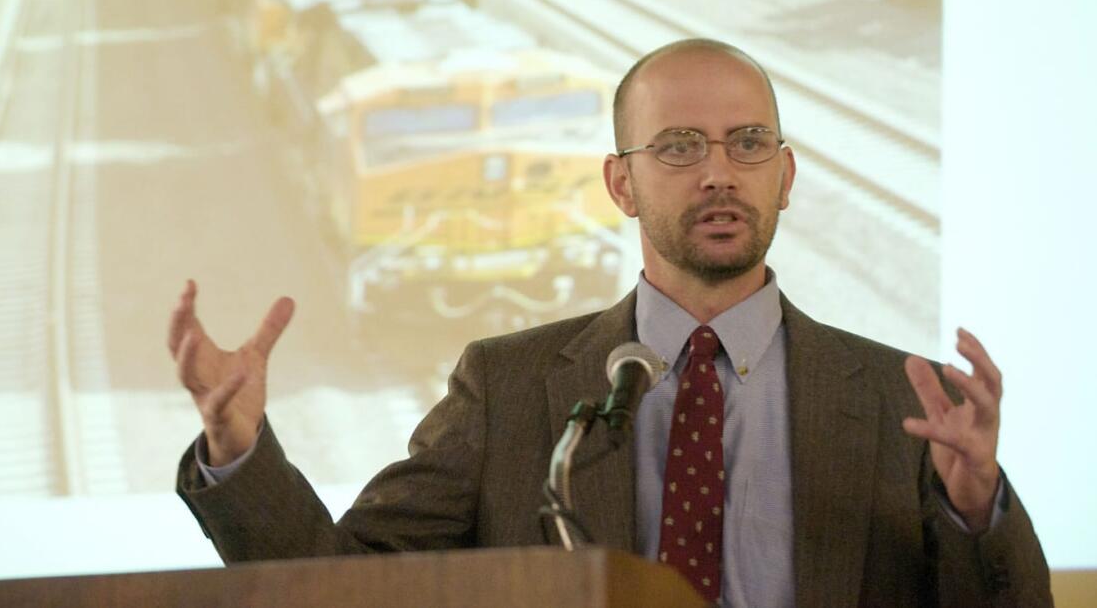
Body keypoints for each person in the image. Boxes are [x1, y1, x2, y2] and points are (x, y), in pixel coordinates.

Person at [169, 39, 1051, 607]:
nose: (718, 173)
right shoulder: (508, 389)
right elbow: (344, 591)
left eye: (748, 144)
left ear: (784, 178)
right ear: (620, 184)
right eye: (678, 146)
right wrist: (241, 451)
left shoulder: (903, 402)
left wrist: (975, 507)